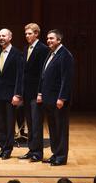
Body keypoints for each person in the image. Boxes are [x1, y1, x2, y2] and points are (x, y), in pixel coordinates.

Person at [37, 29, 74, 166]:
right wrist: (40, 93)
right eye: (47, 38)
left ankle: (61, 157)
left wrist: (62, 98)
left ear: (59, 40)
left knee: (61, 129)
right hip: (48, 99)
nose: (49, 41)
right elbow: (44, 76)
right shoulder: (51, 53)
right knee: (53, 128)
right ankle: (55, 153)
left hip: (58, 100)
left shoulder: (65, 55)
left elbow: (66, 79)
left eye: (52, 38)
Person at [19, 23, 50, 162]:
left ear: (36, 34)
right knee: (30, 124)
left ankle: (38, 153)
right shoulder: (26, 49)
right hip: (27, 93)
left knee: (36, 124)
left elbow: (43, 73)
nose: (27, 36)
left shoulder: (43, 49)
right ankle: (31, 150)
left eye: (30, 33)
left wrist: (41, 93)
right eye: (26, 34)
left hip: (36, 93)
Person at [0, 29, 23, 160]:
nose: (1, 38)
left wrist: (17, 94)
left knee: (9, 123)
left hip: (11, 95)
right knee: (0, 124)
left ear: (10, 37)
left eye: (3, 35)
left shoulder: (17, 54)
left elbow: (19, 76)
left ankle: (8, 149)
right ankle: (2, 147)